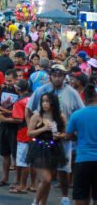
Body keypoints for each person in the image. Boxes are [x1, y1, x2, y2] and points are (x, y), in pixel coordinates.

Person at [26, 64, 85, 205]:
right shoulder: (42, 90)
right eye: (54, 75)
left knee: (63, 169)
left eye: (60, 75)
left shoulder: (72, 93)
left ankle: (64, 197)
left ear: (65, 76)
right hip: (42, 141)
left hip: (63, 140)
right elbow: (28, 110)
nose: (57, 78)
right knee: (45, 176)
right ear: (50, 76)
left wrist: (72, 133)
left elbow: (80, 113)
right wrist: (34, 129)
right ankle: (38, 201)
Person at [27, 93, 67, 205]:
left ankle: (42, 203)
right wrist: (43, 128)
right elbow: (29, 133)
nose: (45, 104)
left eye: (47, 101)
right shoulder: (37, 116)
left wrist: (60, 135)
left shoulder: (60, 116)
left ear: (53, 102)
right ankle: (36, 202)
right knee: (46, 179)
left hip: (54, 148)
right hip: (38, 147)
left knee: (47, 181)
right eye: (43, 101)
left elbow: (65, 133)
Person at [66, 84, 97, 205]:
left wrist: (78, 137)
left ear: (84, 98)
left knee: (80, 195)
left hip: (83, 159)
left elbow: (68, 135)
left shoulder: (77, 115)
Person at [7, 80, 33, 194]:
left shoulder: (19, 101)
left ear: (18, 89)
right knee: (29, 161)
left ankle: (22, 186)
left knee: (23, 162)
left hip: (23, 132)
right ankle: (29, 184)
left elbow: (18, 119)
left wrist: (3, 119)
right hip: (34, 131)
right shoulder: (32, 97)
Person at [0, 69, 19, 187]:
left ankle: (17, 181)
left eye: (10, 81)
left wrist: (6, 112)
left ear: (16, 80)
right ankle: (5, 178)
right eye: (6, 80)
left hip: (15, 126)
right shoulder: (3, 89)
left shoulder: (19, 92)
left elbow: (20, 110)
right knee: (5, 153)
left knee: (16, 155)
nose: (7, 83)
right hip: (3, 125)